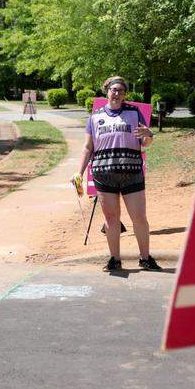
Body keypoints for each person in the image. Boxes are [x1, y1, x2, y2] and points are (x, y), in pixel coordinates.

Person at [78, 75, 161, 272]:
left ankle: (145, 258)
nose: (117, 94)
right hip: (104, 174)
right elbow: (88, 148)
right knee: (111, 218)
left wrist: (149, 135)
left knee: (139, 217)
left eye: (121, 91)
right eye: (113, 90)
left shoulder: (134, 113)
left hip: (131, 172)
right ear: (107, 91)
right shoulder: (95, 117)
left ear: (124, 94)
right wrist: (79, 173)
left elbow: (144, 142)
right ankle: (114, 259)